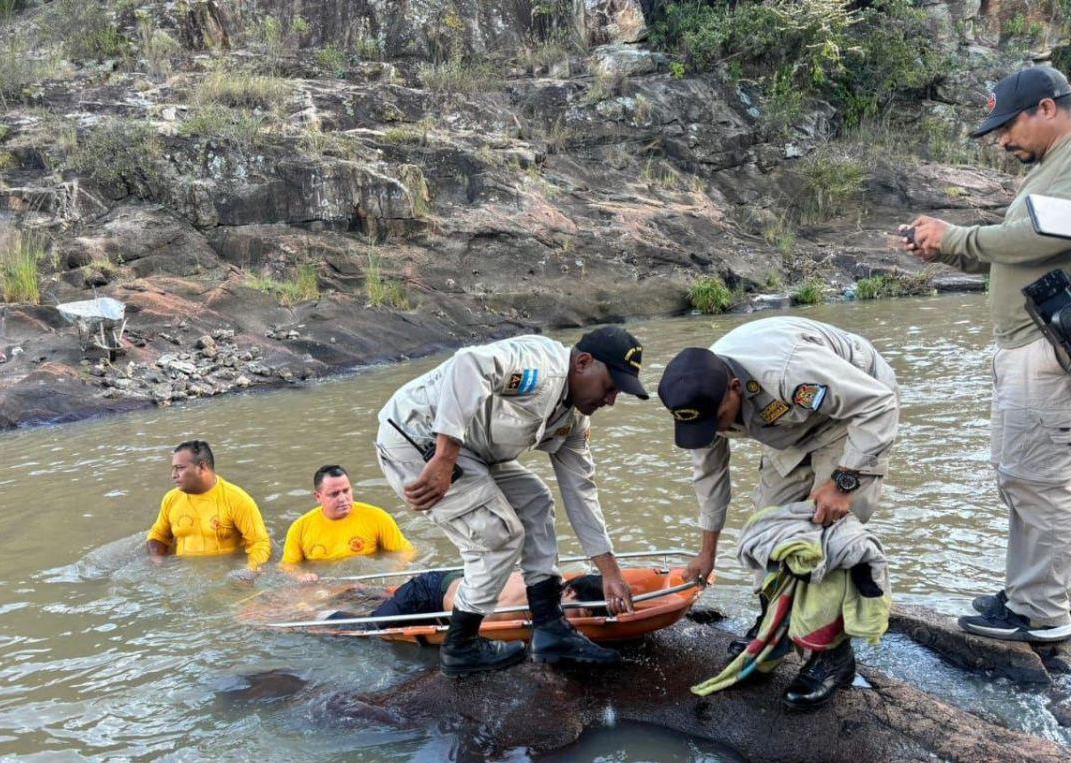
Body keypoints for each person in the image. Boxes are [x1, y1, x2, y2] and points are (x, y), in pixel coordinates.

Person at [904, 65, 1071, 643]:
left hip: (1043, 350)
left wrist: (954, 236)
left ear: (1046, 108)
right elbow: (1017, 252)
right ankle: (1028, 593)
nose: (1001, 140)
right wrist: (945, 251)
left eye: (1008, 125)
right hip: (1027, 346)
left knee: (1037, 479)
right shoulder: (1051, 169)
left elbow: (1040, 238)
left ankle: (1043, 613)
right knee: (1021, 476)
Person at [376, 326, 649, 676]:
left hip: (471, 453)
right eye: (610, 387)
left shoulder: (574, 420)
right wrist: (444, 457)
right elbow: (468, 364)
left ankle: (550, 629)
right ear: (582, 363)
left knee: (536, 501)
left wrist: (610, 573)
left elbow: (582, 493)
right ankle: (461, 647)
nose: (611, 400)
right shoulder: (539, 368)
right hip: (418, 437)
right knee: (499, 535)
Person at [658, 316, 898, 707]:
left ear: (734, 388)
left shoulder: (788, 371)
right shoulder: (700, 403)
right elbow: (709, 475)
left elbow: (877, 405)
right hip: (789, 431)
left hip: (853, 416)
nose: (714, 431)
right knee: (765, 532)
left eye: (717, 421)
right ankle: (775, 629)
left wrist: (843, 483)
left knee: (823, 539)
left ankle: (831, 657)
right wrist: (707, 551)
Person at [147, 440, 273, 577]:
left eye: (180, 468)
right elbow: (158, 535)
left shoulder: (238, 500)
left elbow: (260, 542)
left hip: (223, 575)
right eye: (173, 468)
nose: (173, 475)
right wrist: (158, 561)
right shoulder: (171, 499)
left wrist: (250, 571)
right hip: (182, 576)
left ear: (201, 467)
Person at [327, 572, 609, 626]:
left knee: (390, 602)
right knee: (369, 629)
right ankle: (319, 616)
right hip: (430, 594)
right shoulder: (525, 609)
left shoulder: (548, 577)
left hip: (455, 581)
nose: (576, 624)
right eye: (579, 615)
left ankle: (359, 591)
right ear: (569, 593)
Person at [280, 465, 414, 578]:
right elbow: (288, 565)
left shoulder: (377, 517)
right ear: (318, 496)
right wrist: (301, 575)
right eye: (334, 494)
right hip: (326, 589)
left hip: (366, 585)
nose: (343, 498)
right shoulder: (300, 527)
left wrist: (390, 572)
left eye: (346, 491)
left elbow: (405, 551)